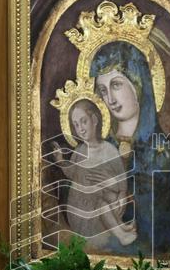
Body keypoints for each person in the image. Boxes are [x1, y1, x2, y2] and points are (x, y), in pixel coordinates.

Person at [90, 40, 170, 257]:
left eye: (116, 85)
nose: (110, 99)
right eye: (102, 90)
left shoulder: (165, 158)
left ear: (138, 83)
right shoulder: (98, 148)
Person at [48, 99, 136, 248]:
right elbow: (72, 173)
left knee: (110, 197)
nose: (80, 129)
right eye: (76, 125)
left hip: (106, 207)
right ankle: (121, 235)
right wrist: (61, 161)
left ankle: (120, 226)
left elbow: (122, 182)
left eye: (83, 122)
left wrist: (119, 192)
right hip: (81, 211)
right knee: (101, 202)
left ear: (94, 120)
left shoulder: (110, 150)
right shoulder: (79, 151)